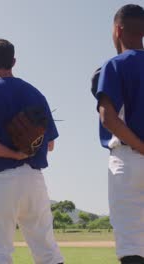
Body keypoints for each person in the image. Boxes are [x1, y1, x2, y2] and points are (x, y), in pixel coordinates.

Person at [0, 39, 64, 264]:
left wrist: (13, 154)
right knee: (47, 251)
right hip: (34, 181)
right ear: (14, 61)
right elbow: (50, 144)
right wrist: (27, 148)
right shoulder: (35, 94)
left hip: (2, 180)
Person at [95, 4, 144, 264]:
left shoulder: (115, 64)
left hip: (128, 158)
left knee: (131, 246)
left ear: (118, 30)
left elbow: (108, 118)